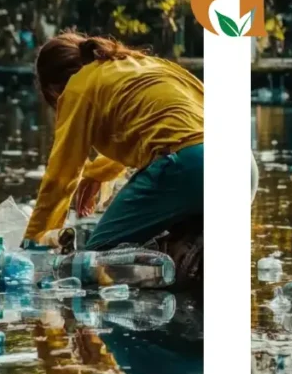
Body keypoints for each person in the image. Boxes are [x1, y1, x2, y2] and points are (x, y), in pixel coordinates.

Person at [23, 33, 204, 251]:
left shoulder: (79, 86)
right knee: (182, 252)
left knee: (96, 260)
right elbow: (149, 131)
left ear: (53, 89)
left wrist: (34, 244)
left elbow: (61, 176)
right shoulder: (146, 65)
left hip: (188, 167)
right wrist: (96, 173)